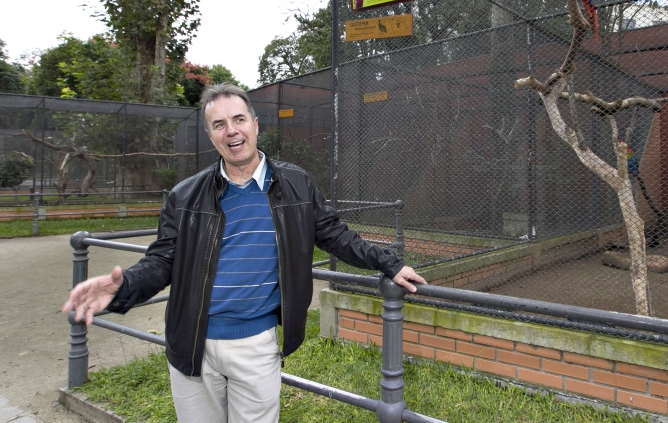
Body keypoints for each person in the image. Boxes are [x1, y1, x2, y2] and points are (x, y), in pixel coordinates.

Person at [62, 83, 427, 423]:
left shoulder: (296, 184)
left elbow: (336, 236)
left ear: (254, 125)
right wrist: (122, 287)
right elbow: (161, 263)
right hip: (192, 344)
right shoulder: (184, 196)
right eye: (219, 124)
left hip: (256, 346)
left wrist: (389, 263)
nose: (231, 131)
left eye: (238, 120)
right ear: (210, 136)